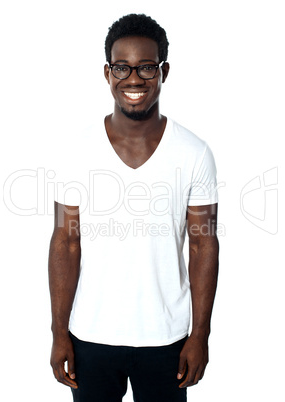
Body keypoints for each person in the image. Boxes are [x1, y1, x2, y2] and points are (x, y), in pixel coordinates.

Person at [49, 13, 219, 402]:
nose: (134, 80)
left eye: (146, 67)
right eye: (123, 67)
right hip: (90, 336)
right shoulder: (77, 150)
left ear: (164, 71)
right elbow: (65, 240)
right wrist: (59, 332)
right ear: (108, 72)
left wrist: (200, 335)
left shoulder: (195, 153)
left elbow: (203, 245)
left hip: (168, 339)